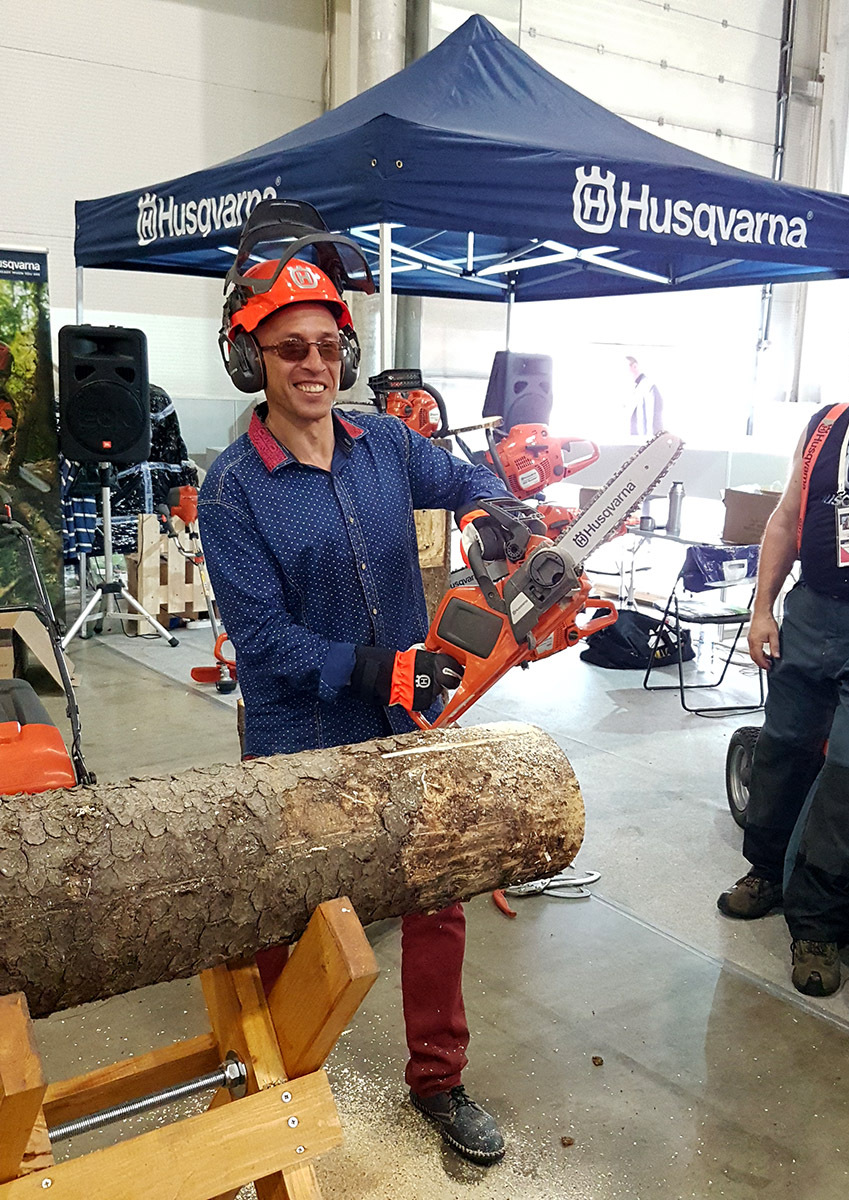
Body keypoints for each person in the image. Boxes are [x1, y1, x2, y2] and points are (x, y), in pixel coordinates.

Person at [198, 247, 517, 1164]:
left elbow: (466, 477)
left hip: (405, 719)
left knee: (437, 897)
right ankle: (271, 1080)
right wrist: (383, 670)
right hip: (302, 736)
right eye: (291, 348)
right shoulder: (233, 490)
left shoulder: (385, 444)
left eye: (328, 346)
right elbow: (265, 644)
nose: (314, 365)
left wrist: (491, 508)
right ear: (251, 359)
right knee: (291, 916)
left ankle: (440, 1079)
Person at [717, 297, 849, 997]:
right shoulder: (826, 425)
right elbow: (784, 519)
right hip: (812, 611)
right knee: (784, 746)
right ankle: (766, 870)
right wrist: (762, 609)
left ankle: (818, 922)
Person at [626, 356, 664, 436]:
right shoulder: (634, 388)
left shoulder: (649, 386)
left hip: (647, 438)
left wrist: (653, 438)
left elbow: (655, 415)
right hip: (636, 438)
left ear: (634, 366)